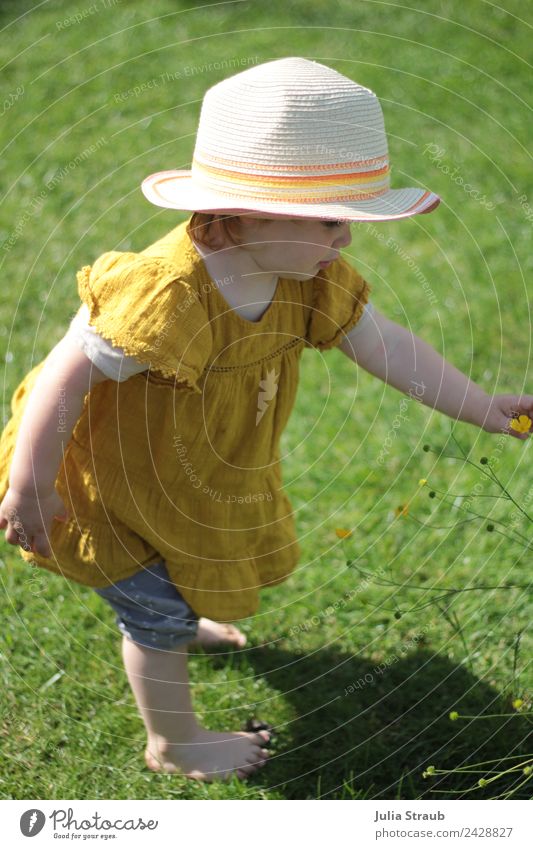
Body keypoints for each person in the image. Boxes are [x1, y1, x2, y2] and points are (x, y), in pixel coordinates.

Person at [0, 57, 531, 783]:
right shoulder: (166, 295)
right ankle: (175, 742)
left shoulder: (307, 274)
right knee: (150, 610)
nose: (345, 239)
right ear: (238, 216)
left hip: (197, 468)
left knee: (187, 565)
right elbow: (65, 375)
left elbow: (384, 344)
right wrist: (32, 486)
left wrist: (483, 407)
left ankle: (184, 616)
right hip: (106, 478)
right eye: (329, 220)